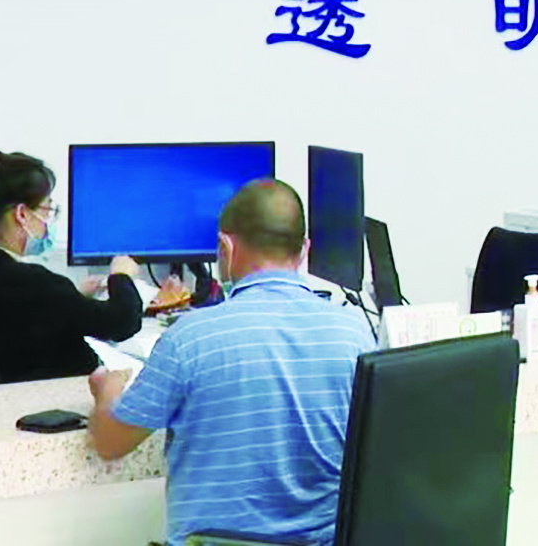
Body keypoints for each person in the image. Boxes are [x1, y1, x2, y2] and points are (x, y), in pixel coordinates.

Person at [87, 180, 377, 546]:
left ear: (225, 247)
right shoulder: (355, 333)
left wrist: (107, 393)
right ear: (304, 250)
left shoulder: (189, 338)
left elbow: (110, 443)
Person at [0, 145, 145, 382]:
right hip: (62, 398)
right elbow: (121, 323)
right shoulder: (38, 284)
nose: (48, 222)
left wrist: (74, 296)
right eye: (47, 210)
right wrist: (121, 277)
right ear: (22, 214)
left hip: (4, 398)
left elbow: (21, 317)